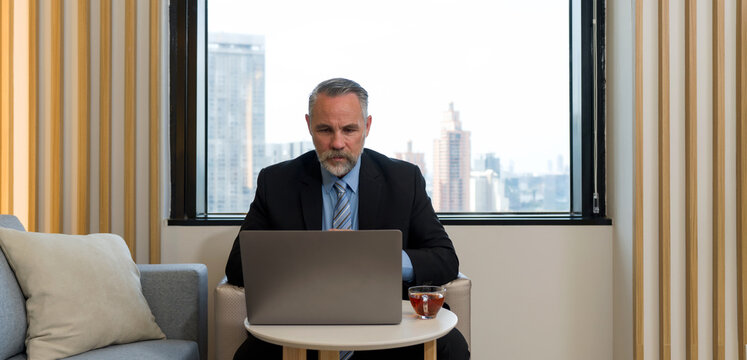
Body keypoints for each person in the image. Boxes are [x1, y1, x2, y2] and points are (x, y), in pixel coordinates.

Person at [225, 78, 470, 360]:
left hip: (389, 330)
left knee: (452, 348)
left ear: (367, 126)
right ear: (309, 126)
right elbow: (237, 267)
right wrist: (315, 254)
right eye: (325, 130)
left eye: (349, 129)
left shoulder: (404, 180)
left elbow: (445, 260)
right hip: (302, 323)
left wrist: (378, 257)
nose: (337, 143)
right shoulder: (276, 181)